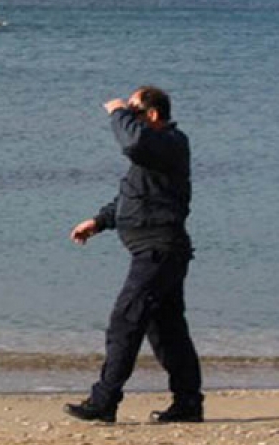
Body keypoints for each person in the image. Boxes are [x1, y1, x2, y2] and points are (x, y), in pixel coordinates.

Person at [64, 86, 203, 424]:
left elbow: (133, 143)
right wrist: (98, 222)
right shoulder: (153, 155)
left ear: (152, 115)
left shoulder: (170, 143)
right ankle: (187, 403)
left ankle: (104, 401)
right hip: (158, 251)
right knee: (167, 331)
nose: (129, 117)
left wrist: (117, 112)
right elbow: (131, 197)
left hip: (159, 251)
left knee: (125, 321)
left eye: (134, 112)